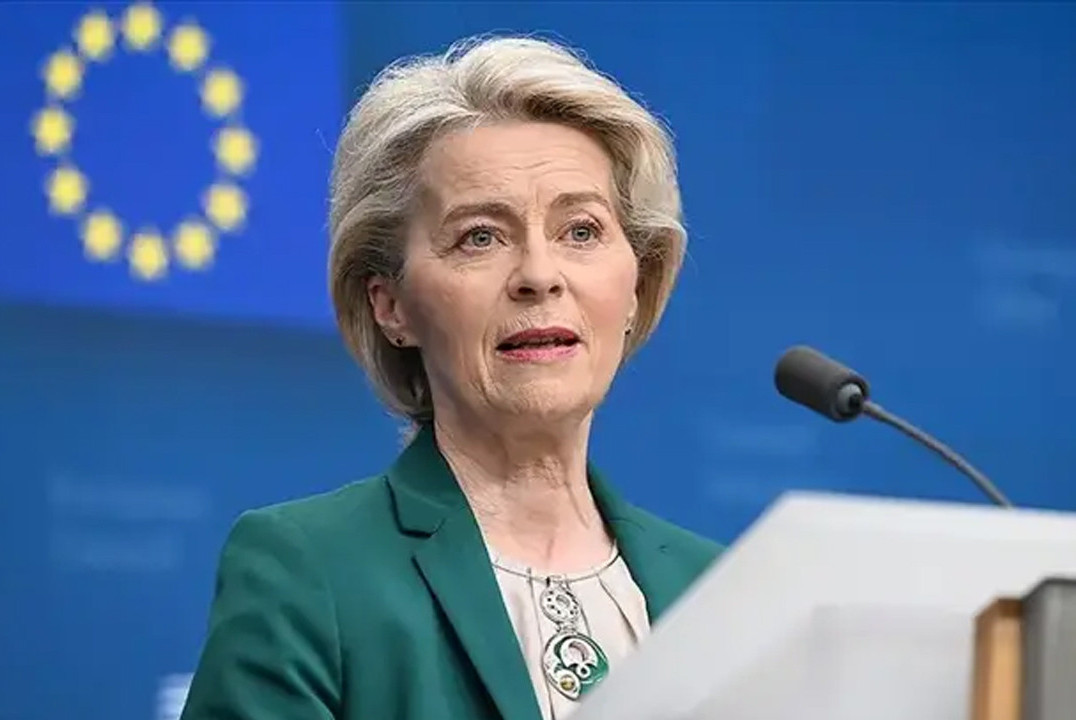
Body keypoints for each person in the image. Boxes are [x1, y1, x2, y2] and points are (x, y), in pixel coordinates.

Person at [179, 34, 722, 720]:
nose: (539, 275)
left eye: (581, 231)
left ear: (638, 284)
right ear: (392, 306)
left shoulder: (715, 591)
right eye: (480, 237)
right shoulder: (308, 572)